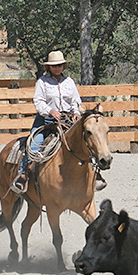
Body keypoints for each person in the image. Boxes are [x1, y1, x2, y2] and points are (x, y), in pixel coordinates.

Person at [11, 50, 83, 194]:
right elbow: (38, 101)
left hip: (67, 119)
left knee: (85, 140)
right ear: (49, 67)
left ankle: (92, 173)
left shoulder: (69, 82)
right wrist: (50, 111)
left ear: (63, 66)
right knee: (34, 144)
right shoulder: (42, 82)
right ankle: (23, 174)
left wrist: (76, 112)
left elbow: (75, 100)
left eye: (60, 65)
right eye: (54, 66)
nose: (57, 68)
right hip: (46, 120)